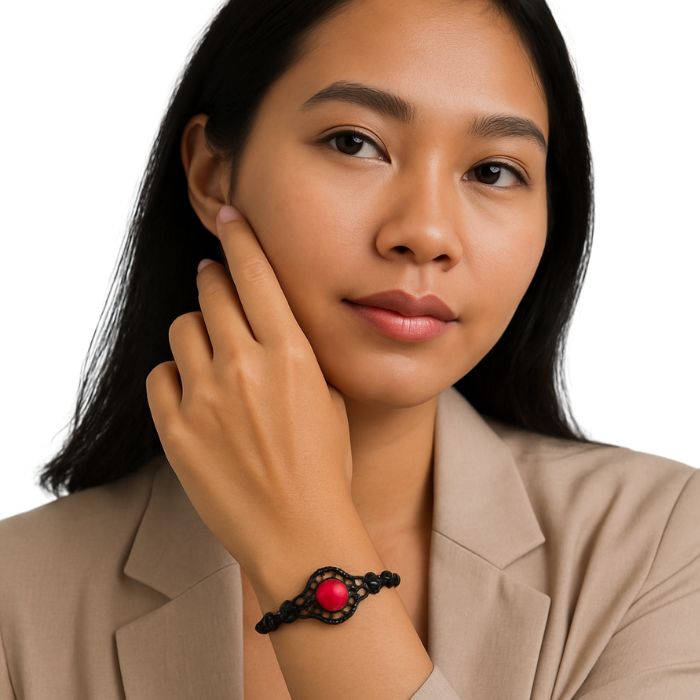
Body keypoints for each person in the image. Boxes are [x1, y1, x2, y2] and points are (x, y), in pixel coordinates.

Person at [1, 0, 698, 697]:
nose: (426, 233)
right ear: (213, 173)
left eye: (492, 172)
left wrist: (302, 542)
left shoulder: (660, 546)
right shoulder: (16, 600)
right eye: (354, 143)